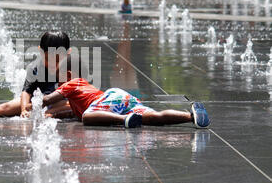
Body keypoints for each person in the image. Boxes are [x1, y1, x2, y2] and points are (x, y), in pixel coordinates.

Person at [41, 54, 211, 129]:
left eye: (59, 79)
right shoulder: (80, 95)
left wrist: (35, 102)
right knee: (154, 118)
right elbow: (71, 112)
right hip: (120, 101)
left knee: (87, 116)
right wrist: (53, 116)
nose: (58, 84)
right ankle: (191, 115)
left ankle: (124, 120)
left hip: (110, 100)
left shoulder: (73, 83)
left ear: (68, 75)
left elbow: (48, 100)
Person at [0, 32, 72, 120]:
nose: (53, 64)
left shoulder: (71, 68)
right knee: (6, 107)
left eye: (58, 60)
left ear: (68, 53)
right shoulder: (35, 68)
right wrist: (24, 109)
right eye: (48, 59)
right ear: (40, 52)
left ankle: (48, 114)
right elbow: (26, 92)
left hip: (61, 103)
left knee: (70, 106)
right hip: (37, 101)